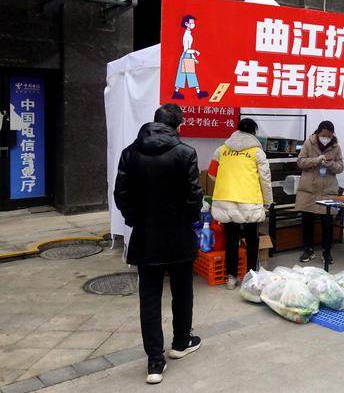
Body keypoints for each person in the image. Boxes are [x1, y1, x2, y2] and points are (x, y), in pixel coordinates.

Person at [114, 103, 202, 385]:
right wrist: (186, 220)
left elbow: (121, 195)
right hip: (178, 234)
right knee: (182, 291)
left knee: (149, 299)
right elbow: (193, 197)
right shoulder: (185, 152)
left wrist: (135, 220)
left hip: (146, 235)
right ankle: (180, 343)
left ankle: (155, 361)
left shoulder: (130, 153)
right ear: (179, 125)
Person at [209, 118, 273, 290]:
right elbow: (265, 180)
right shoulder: (257, 153)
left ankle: (231, 277)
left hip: (226, 200)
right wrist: (268, 202)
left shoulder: (221, 150)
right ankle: (251, 276)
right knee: (252, 239)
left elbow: (212, 174)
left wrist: (229, 181)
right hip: (249, 201)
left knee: (231, 240)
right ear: (253, 132)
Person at [295, 121, 344, 265]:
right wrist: (316, 160)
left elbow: (340, 167)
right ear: (318, 133)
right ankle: (308, 248)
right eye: (323, 135)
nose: (326, 138)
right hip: (308, 189)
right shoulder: (309, 143)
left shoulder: (336, 147)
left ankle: (327, 250)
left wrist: (331, 164)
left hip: (327, 190)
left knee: (327, 221)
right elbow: (300, 162)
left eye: (328, 136)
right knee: (307, 219)